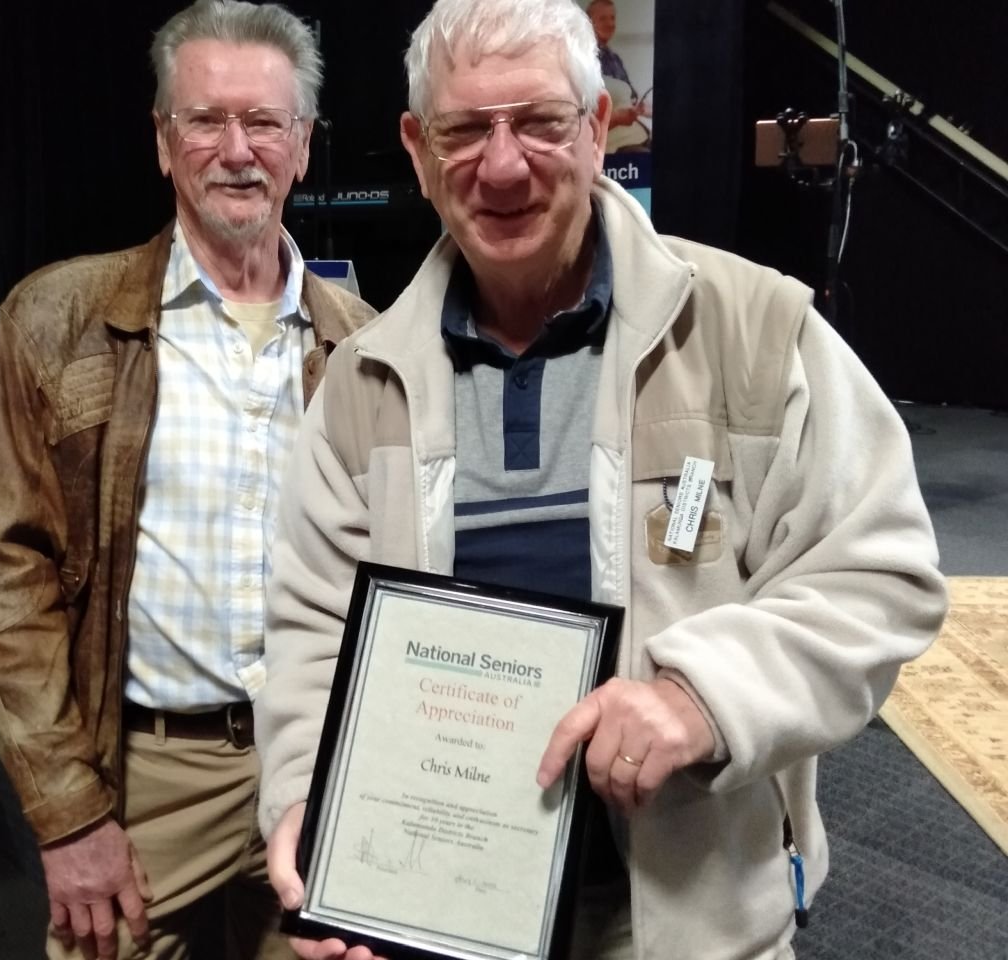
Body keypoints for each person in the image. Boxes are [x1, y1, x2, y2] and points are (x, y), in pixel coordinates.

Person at [254, 0, 947, 958]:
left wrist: (703, 698)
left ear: (596, 126)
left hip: (687, 922)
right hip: (439, 914)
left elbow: (880, 576)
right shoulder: (363, 384)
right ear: (417, 147)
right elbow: (310, 637)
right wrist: (311, 804)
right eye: (464, 130)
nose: (502, 166)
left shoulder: (752, 330)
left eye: (539, 121)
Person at [0, 2, 374, 958]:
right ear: (161, 139)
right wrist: (66, 815)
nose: (237, 149)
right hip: (143, 776)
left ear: (302, 146)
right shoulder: (58, 320)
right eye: (205, 120)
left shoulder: (365, 342)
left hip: (312, 765)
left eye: (264, 122)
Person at [585, 0, 650, 146]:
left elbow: (634, 99)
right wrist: (617, 118)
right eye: (603, 19)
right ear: (588, 23)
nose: (610, 24)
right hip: (610, 148)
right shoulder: (584, 60)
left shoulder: (615, 59)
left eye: (612, 18)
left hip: (633, 137)